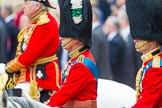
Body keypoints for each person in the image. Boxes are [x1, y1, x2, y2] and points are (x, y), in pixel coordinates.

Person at [5, 0, 61, 103]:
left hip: (41, 76)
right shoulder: (36, 21)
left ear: (37, 6)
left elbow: (29, 57)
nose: (24, 7)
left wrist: (8, 67)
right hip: (30, 73)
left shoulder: (45, 23)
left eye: (27, 4)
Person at [46, 0, 98, 107]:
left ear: (75, 39)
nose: (61, 38)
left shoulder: (81, 65)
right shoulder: (76, 59)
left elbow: (63, 95)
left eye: (65, 36)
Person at [126, 0, 162, 107]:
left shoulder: (156, 68)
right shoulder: (149, 63)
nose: (135, 40)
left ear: (153, 39)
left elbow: (146, 103)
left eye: (140, 36)